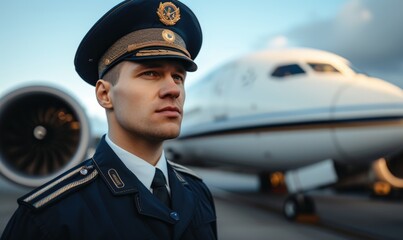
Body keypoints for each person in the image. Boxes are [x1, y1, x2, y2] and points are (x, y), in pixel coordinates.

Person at [1, 0, 217, 239]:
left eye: (178, 77)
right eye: (151, 73)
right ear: (105, 94)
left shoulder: (198, 192)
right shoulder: (49, 217)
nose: (173, 90)